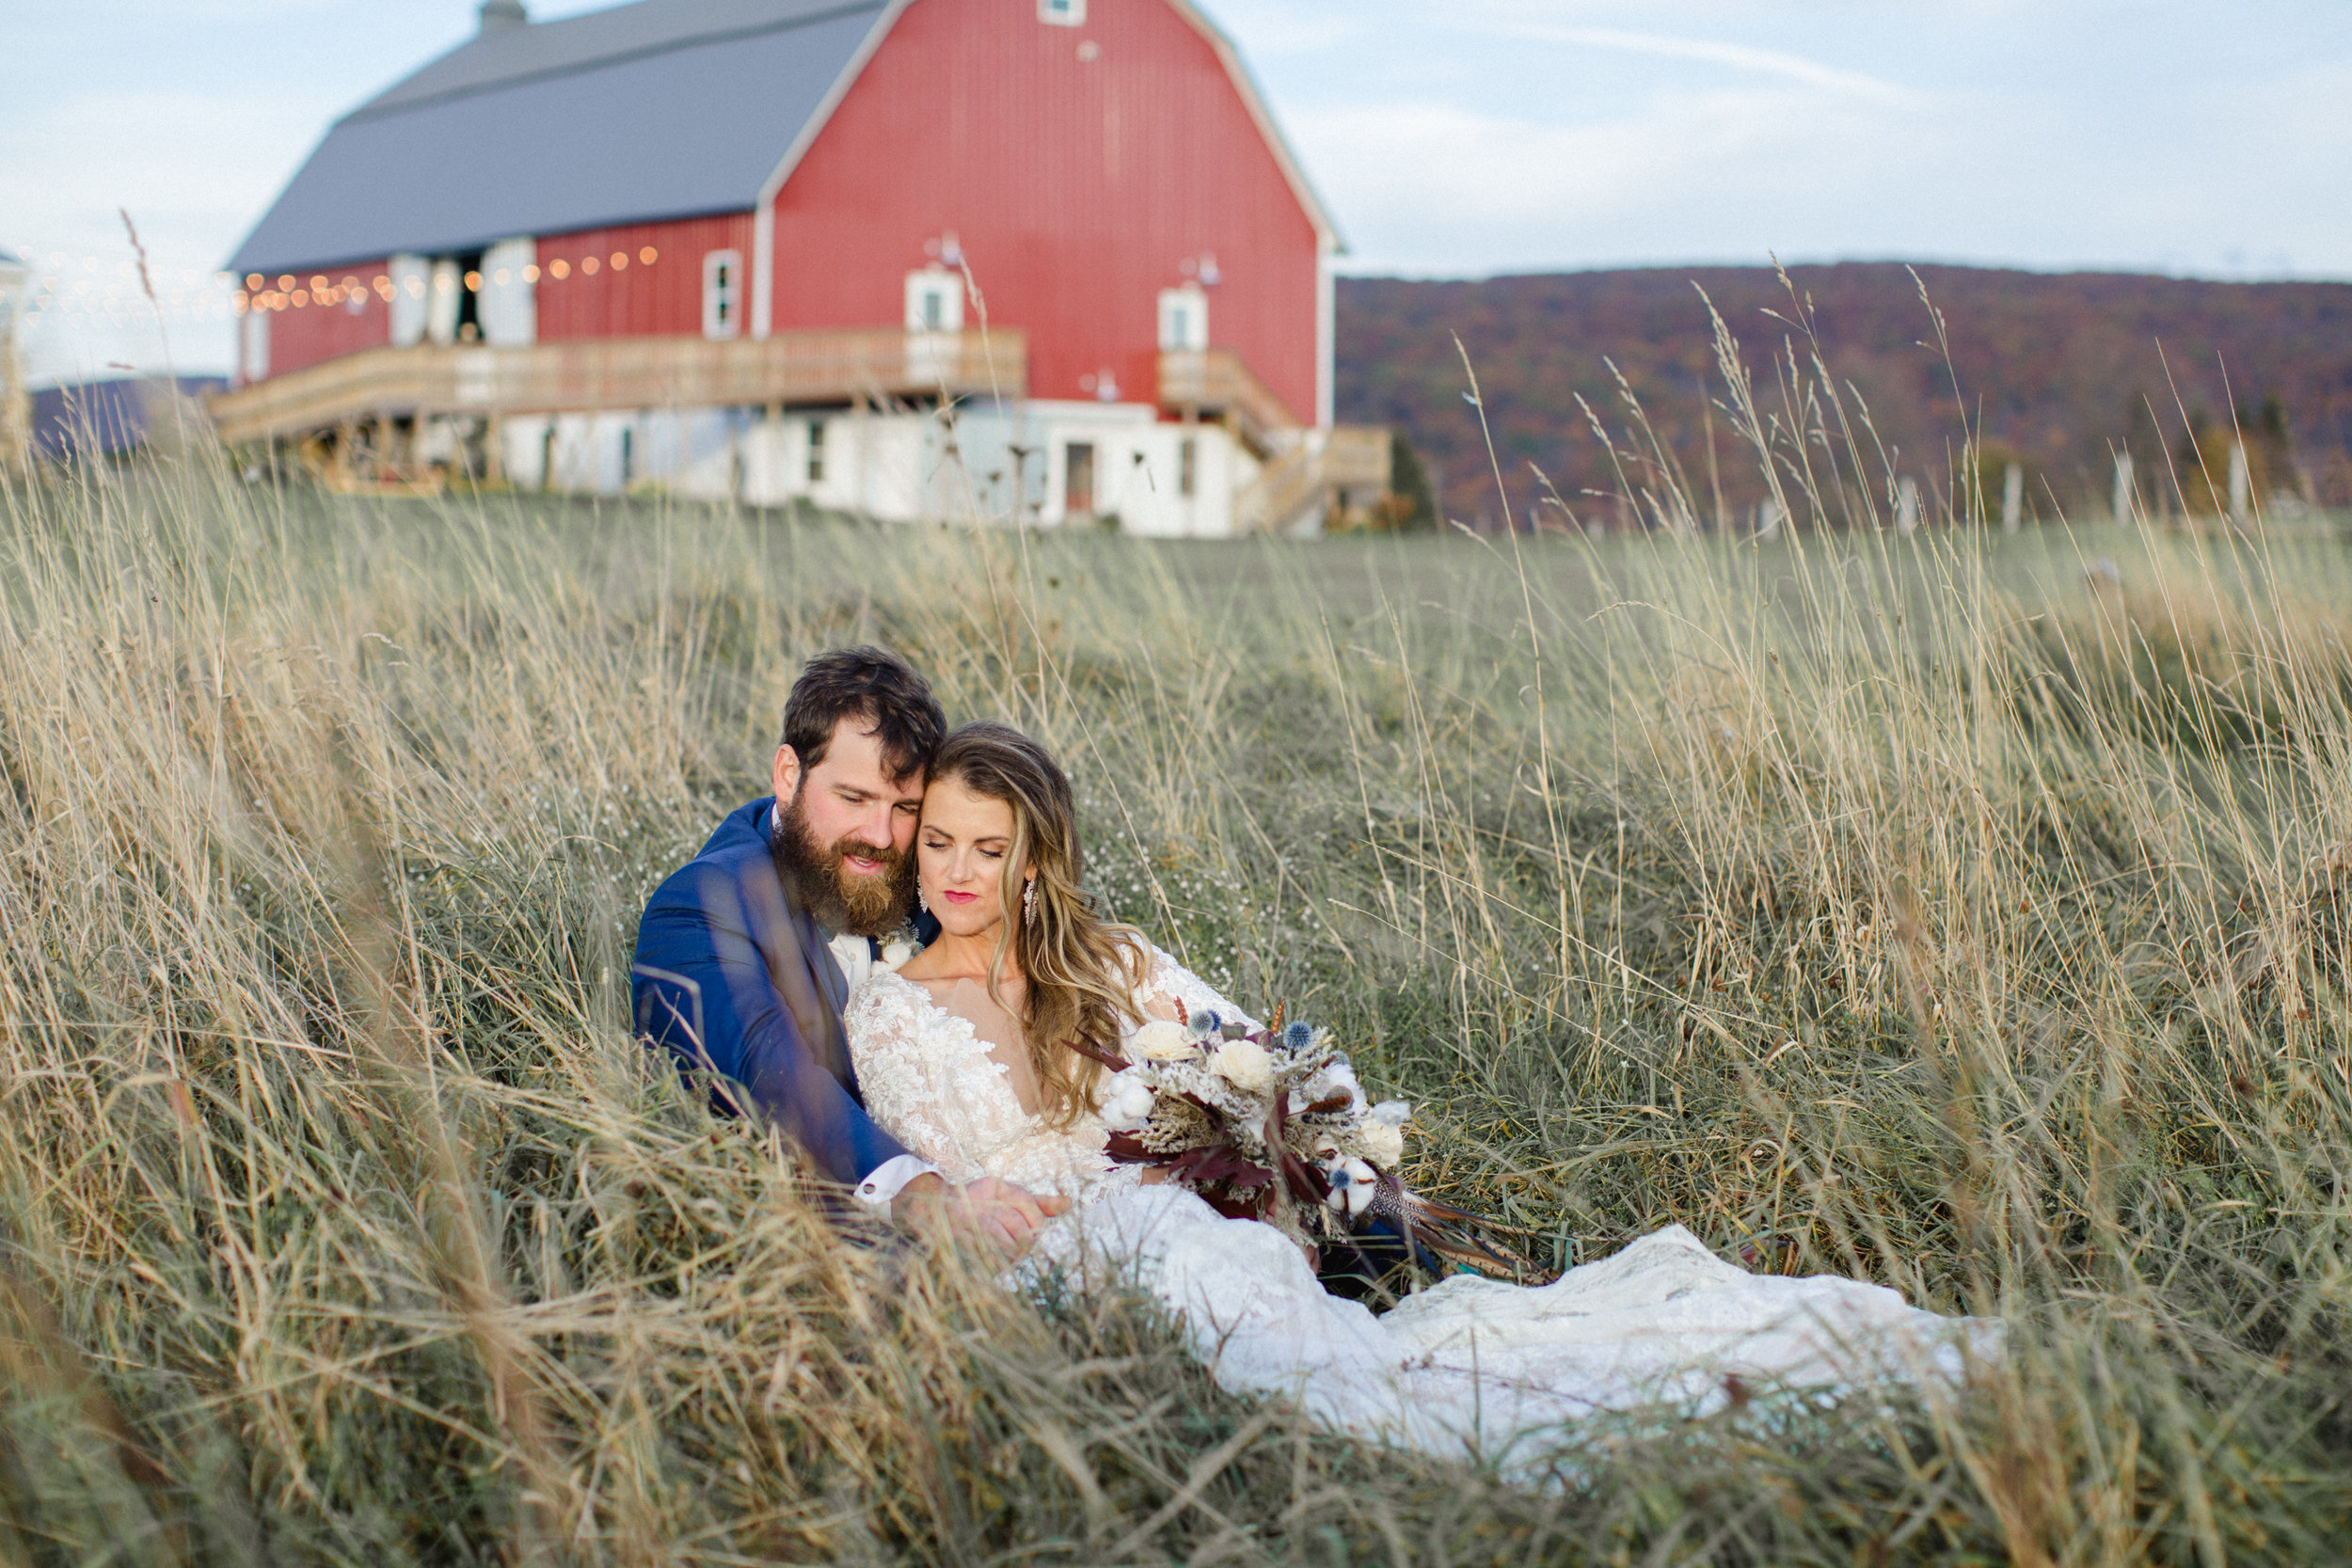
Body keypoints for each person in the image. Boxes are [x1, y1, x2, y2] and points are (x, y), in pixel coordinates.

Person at [842, 720, 2001, 1465]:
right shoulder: (894, 1007)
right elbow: (967, 1184)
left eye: (986, 849)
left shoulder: (1120, 960)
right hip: (1074, 1257)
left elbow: (1272, 1061)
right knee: (1263, 1317)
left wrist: (1286, 1170)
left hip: (1201, 1228)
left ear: (1033, 858)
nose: (953, 871)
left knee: (1382, 1343)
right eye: (937, 841)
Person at [630, 647, 1062, 1252]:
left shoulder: (935, 875)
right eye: (854, 799)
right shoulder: (703, 903)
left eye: (905, 808)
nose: (880, 836)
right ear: (788, 775)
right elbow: (767, 1073)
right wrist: (926, 1201)